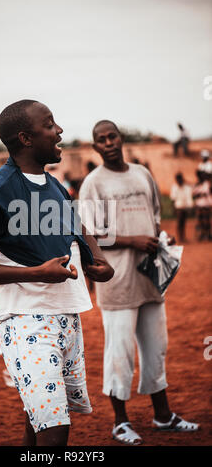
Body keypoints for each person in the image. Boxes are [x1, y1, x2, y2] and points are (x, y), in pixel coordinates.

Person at [0, 100, 114, 447]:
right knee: (55, 429)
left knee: (39, 416)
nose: (60, 131)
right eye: (50, 124)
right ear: (25, 137)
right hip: (27, 321)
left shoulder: (52, 184)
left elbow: (76, 223)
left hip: (65, 315)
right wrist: (35, 272)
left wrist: (95, 257)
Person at [79, 119, 199, 446]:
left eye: (112, 136)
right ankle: (120, 422)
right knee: (120, 352)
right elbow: (89, 236)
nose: (108, 143)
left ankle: (162, 416)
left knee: (155, 348)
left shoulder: (142, 174)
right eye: (101, 140)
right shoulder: (93, 183)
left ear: (121, 138)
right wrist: (132, 240)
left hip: (150, 276)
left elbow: (155, 217)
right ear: (95, 147)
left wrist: (161, 237)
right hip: (117, 281)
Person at [170, 172, 193, 243]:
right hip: (179, 207)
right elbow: (173, 199)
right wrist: (174, 208)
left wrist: (190, 207)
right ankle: (180, 237)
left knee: (183, 223)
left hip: (185, 207)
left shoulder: (187, 187)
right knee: (179, 223)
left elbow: (189, 198)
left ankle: (183, 237)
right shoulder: (174, 187)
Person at [193, 170, 212, 241]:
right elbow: (194, 194)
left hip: (206, 205)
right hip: (199, 205)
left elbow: (208, 192)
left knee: (207, 221)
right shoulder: (196, 184)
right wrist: (201, 194)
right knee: (200, 221)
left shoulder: (207, 184)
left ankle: (208, 234)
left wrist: (200, 194)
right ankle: (202, 235)